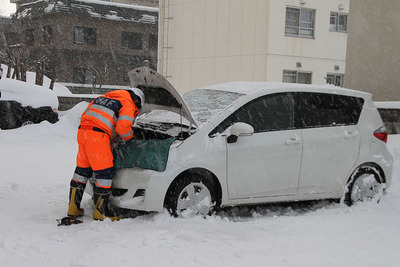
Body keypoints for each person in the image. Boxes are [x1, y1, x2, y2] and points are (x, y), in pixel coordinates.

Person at [67, 88, 145, 221]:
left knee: (82, 170)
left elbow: (87, 115)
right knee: (104, 173)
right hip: (98, 136)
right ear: (136, 100)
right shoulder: (127, 103)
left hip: (83, 132)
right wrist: (131, 139)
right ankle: (101, 212)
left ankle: (73, 208)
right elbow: (123, 127)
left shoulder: (101, 99)